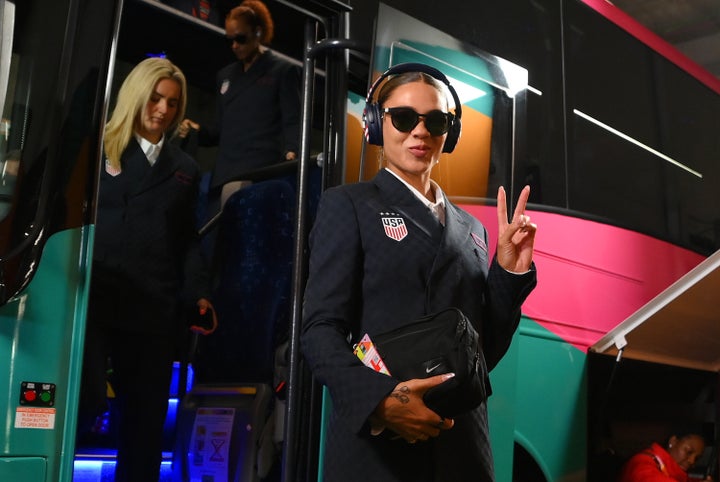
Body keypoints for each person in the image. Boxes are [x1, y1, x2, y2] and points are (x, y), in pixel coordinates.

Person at [300, 64, 538, 481]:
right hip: (377, 451)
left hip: (461, 448)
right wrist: (382, 401)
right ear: (376, 123)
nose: (420, 131)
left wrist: (508, 273)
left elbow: (481, 354)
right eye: (404, 117)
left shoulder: (474, 230)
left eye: (437, 121)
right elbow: (319, 330)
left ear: (451, 132)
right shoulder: (349, 205)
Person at [79, 56, 217, 482]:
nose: (162, 110)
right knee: (82, 404)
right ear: (137, 95)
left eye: (173, 103)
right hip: (95, 299)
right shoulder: (97, 147)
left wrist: (198, 292)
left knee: (145, 424)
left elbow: (187, 239)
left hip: (152, 307)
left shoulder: (185, 168)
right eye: (155, 98)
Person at [178, 0, 301, 220]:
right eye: (230, 39)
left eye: (240, 38)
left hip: (259, 171)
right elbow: (219, 129)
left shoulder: (282, 70)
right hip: (223, 174)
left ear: (258, 32)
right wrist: (197, 129)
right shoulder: (225, 76)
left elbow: (293, 122)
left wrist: (292, 152)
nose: (235, 45)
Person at [618, 429, 713, 482]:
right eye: (688, 452)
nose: (692, 461)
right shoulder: (641, 462)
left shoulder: (669, 468)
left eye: (697, 458)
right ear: (673, 441)